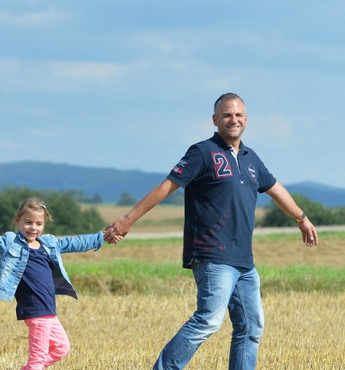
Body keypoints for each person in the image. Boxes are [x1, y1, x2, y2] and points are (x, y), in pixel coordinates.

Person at [104, 92, 319, 370]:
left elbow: (276, 189)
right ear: (215, 119)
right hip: (212, 255)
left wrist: (301, 218)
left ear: (246, 120)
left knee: (251, 327)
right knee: (208, 320)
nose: (234, 119)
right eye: (227, 115)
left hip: (243, 260)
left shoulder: (250, 158)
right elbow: (165, 188)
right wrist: (126, 221)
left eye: (239, 115)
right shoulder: (202, 152)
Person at [0, 197, 120, 370]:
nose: (33, 228)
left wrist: (102, 237)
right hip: (35, 310)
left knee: (61, 348)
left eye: (38, 224)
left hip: (50, 309)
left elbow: (74, 243)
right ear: (17, 221)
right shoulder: (10, 242)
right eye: (28, 222)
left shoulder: (49, 244)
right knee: (37, 360)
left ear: (44, 224)